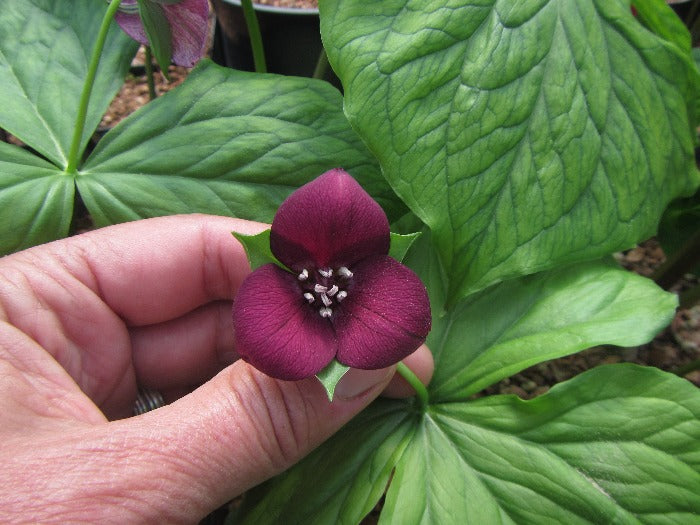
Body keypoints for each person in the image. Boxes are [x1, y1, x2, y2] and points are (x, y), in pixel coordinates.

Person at [0, 214, 433, 523]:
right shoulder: (292, 308)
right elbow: (260, 343)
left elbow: (404, 323)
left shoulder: (351, 278)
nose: (324, 286)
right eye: (316, 282)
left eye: (329, 282)